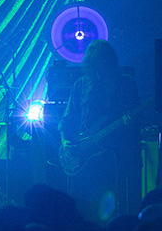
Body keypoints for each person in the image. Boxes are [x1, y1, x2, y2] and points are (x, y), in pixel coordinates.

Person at [59, 39, 141, 220]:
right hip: (86, 161)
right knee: (82, 209)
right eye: (96, 68)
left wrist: (130, 122)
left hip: (117, 159)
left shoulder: (126, 84)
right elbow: (67, 121)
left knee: (114, 211)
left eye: (104, 66)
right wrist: (66, 143)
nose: (100, 73)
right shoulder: (81, 85)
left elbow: (137, 120)